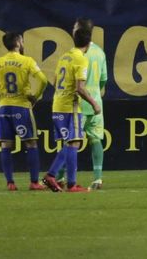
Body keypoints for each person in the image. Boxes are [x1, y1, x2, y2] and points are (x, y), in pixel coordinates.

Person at [0, 31, 47, 190]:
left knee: (6, 145)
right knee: (31, 143)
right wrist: (35, 96)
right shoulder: (27, 61)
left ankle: (10, 183)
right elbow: (43, 80)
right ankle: (34, 182)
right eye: (22, 40)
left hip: (4, 108)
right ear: (18, 42)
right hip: (21, 106)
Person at [43, 20, 101, 193]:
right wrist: (94, 103)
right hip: (71, 107)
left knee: (70, 143)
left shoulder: (65, 56)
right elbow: (80, 88)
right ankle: (61, 179)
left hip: (57, 104)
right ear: (89, 44)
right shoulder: (81, 59)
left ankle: (65, 181)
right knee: (74, 143)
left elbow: (54, 81)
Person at [79, 18, 109, 188]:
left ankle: (58, 177)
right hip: (96, 101)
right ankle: (98, 177)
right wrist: (98, 92)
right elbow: (104, 79)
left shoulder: (76, 53)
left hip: (79, 102)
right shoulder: (99, 52)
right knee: (96, 139)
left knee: (71, 141)